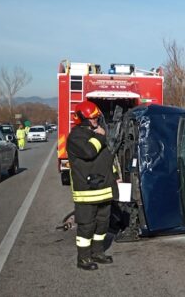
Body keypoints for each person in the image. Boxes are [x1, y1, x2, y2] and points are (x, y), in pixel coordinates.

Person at [67, 100, 115, 270]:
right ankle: (83, 258)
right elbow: (89, 152)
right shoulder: (75, 137)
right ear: (83, 119)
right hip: (87, 193)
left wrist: (115, 176)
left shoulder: (96, 133)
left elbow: (106, 158)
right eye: (93, 119)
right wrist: (100, 136)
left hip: (104, 190)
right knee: (87, 226)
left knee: (102, 224)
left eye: (96, 118)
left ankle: (98, 252)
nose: (96, 121)